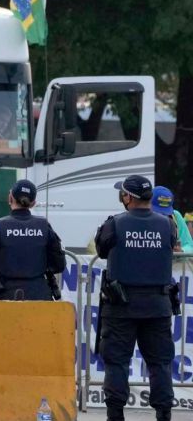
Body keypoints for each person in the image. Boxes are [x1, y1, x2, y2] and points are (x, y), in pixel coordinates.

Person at [95, 175, 177, 421]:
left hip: (121, 307)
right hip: (158, 306)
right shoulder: (167, 224)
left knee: (117, 363)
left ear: (128, 197)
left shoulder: (115, 224)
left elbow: (101, 250)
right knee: (160, 364)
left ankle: (115, 415)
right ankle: (164, 415)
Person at [0, 180, 66, 300]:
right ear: (33, 203)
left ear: (10, 198)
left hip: (2, 297)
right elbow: (59, 264)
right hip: (38, 298)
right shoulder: (44, 226)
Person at [151, 186, 193, 253]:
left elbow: (189, 245)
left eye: (165, 212)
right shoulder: (142, 218)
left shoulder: (176, 216)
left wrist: (182, 250)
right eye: (158, 211)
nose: (162, 215)